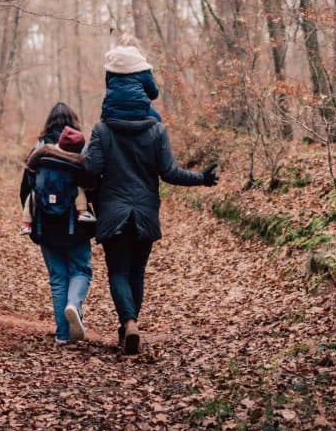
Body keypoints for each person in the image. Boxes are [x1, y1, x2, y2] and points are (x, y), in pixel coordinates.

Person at [84, 45, 219, 355]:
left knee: (118, 271)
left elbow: (91, 169)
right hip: (145, 213)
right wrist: (202, 178)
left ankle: (128, 322)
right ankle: (131, 325)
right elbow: (169, 172)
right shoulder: (157, 129)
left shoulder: (102, 130)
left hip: (113, 213)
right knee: (136, 272)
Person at [20, 103, 95, 345]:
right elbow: (91, 186)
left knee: (58, 278)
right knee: (81, 270)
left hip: (45, 225)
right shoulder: (80, 153)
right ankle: (74, 304)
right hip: (75, 225)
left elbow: (26, 189)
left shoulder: (39, 151)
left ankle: (63, 335)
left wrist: (34, 218)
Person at [20, 125, 95, 235]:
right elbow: (89, 182)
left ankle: (26, 224)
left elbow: (31, 162)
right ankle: (82, 212)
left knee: (32, 197)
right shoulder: (79, 160)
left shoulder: (46, 149)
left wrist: (32, 170)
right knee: (78, 191)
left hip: (44, 187)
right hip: (68, 190)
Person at [101, 38, 163, 123]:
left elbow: (109, 88)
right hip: (140, 110)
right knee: (158, 120)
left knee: (101, 129)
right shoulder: (142, 67)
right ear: (137, 48)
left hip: (112, 110)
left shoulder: (111, 67)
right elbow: (153, 94)